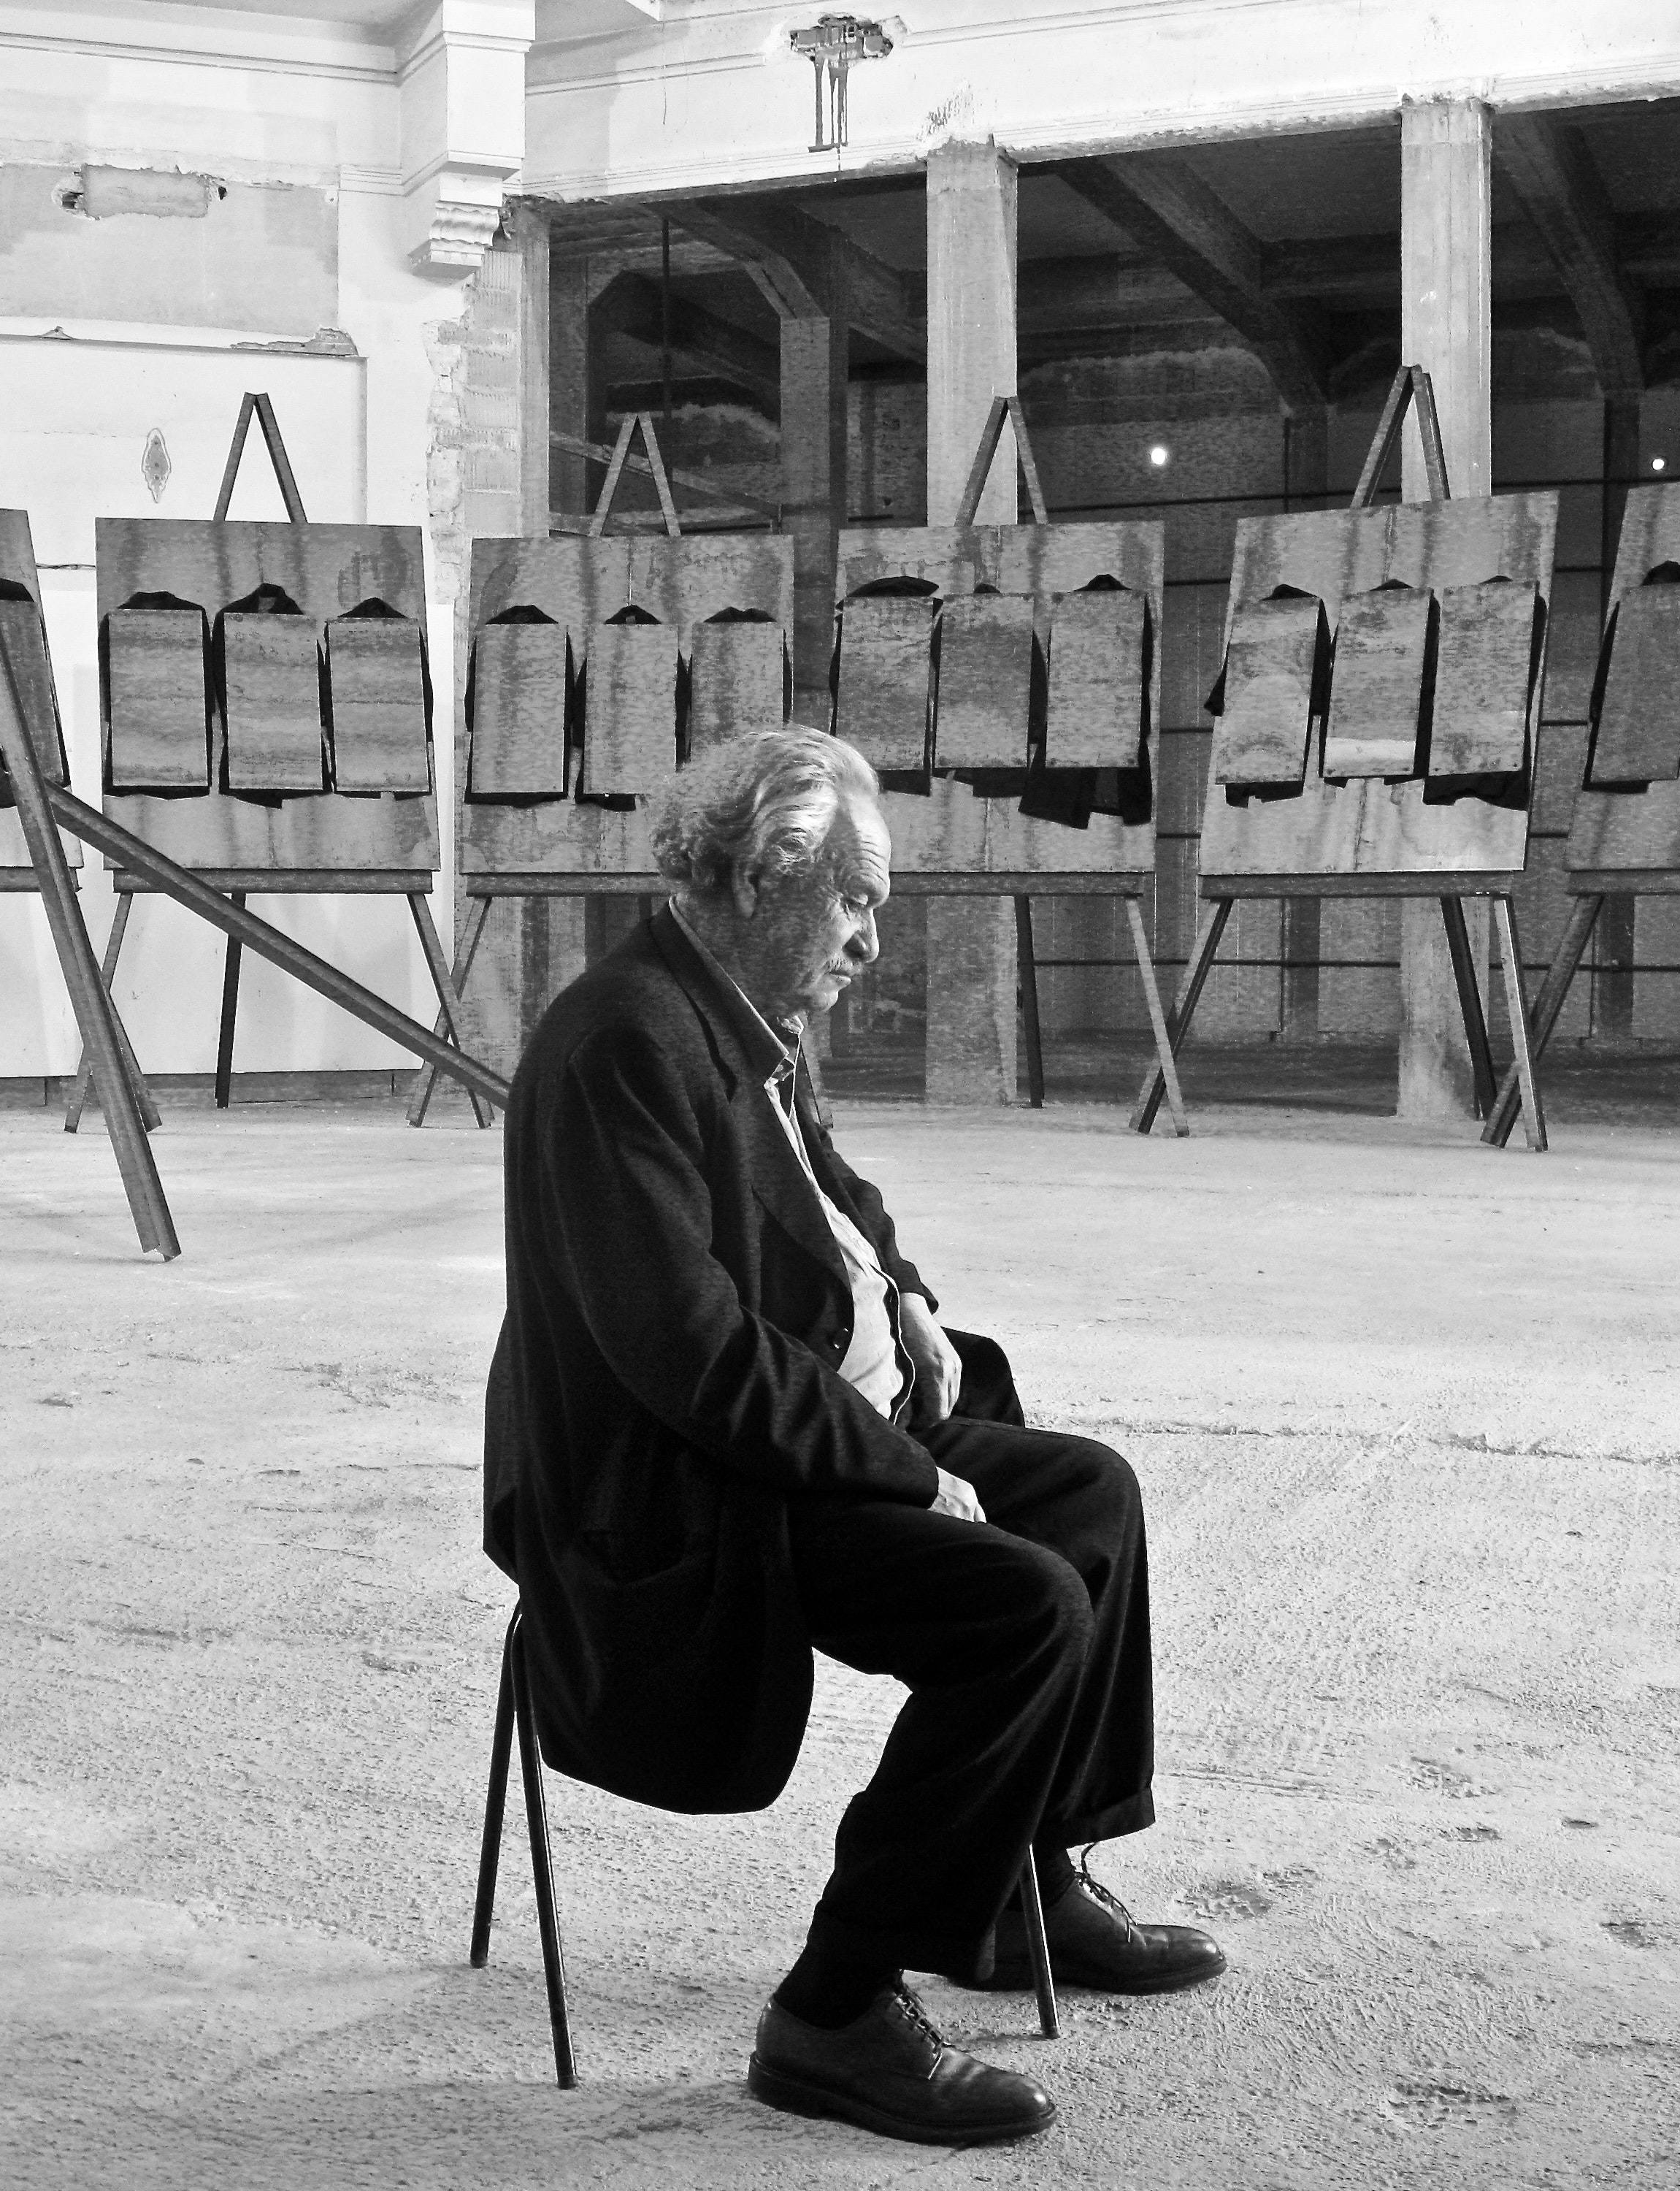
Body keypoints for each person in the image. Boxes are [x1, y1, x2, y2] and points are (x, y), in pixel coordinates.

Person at [480, 725, 1224, 2147]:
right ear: (759, 882)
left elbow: (825, 1194)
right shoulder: (622, 1044)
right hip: (682, 1494)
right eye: (854, 903)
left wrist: (905, 1294)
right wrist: (910, 1471)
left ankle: (1018, 1889)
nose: (871, 943)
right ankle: (830, 2009)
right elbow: (689, 1358)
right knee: (1020, 1608)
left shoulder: (736, 1015)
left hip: (807, 1432)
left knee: (1089, 1498)